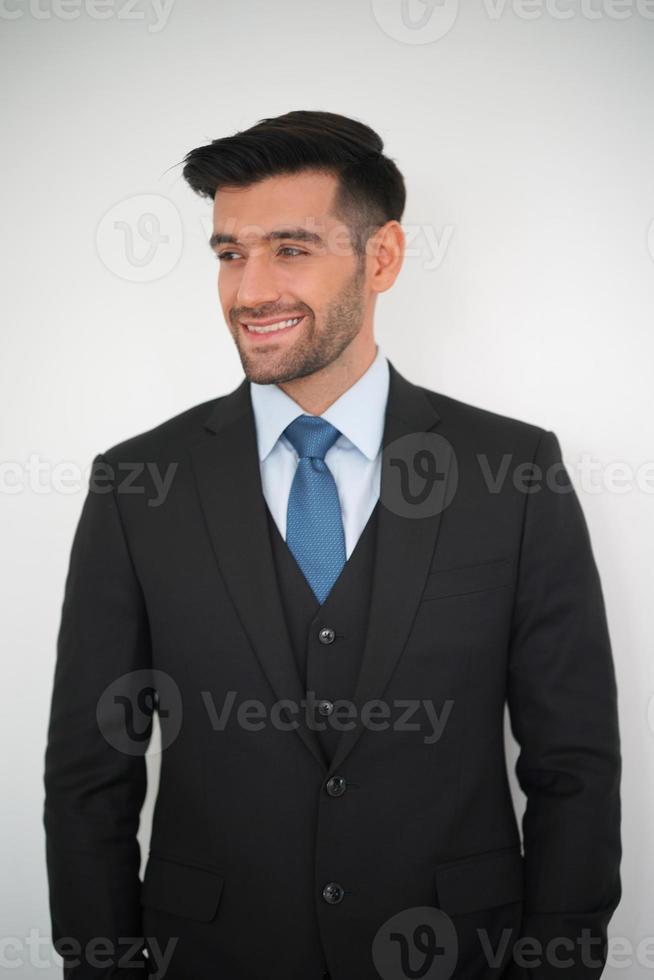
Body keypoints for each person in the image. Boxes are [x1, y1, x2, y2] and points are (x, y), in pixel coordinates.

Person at [43, 109, 621, 980]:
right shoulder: (138, 482)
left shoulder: (513, 470)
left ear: (381, 257)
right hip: (210, 956)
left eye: (291, 248)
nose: (249, 290)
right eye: (230, 254)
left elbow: (572, 759)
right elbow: (92, 775)